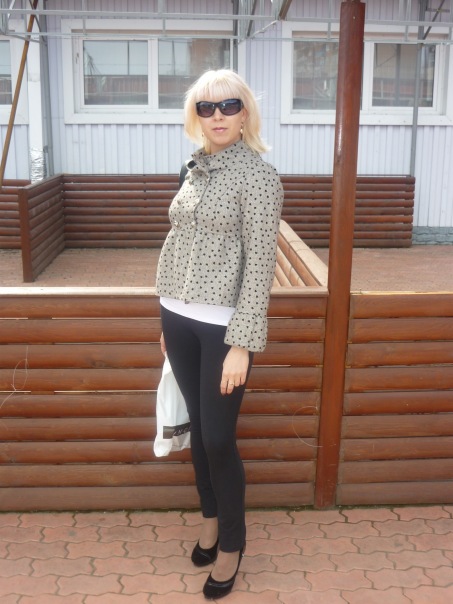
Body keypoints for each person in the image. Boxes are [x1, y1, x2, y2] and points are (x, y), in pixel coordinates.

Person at [155, 69, 283, 600]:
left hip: (222, 328)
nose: (217, 116)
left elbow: (260, 266)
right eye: (205, 108)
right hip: (176, 317)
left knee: (217, 439)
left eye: (228, 105)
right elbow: (177, 241)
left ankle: (232, 544)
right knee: (199, 432)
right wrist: (165, 319)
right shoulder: (193, 169)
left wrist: (241, 345)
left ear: (244, 112)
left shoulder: (259, 178)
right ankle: (209, 521)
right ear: (196, 117)